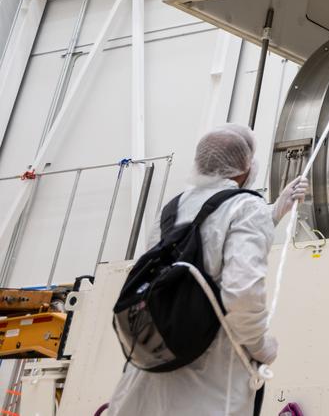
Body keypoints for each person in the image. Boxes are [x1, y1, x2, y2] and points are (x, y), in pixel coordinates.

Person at [108, 123, 308, 416]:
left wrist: (276, 210)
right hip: (209, 378)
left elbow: (206, 237)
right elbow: (242, 292)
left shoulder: (171, 210)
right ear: (244, 167)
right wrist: (260, 346)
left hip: (149, 371)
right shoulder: (247, 207)